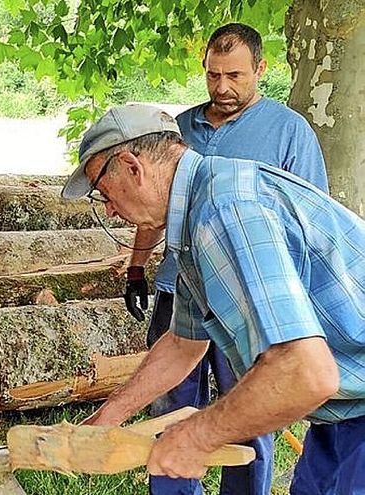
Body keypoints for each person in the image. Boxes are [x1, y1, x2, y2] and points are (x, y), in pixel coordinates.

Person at [62, 103, 364, 495]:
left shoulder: (225, 209)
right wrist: (106, 418)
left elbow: (304, 372)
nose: (110, 209)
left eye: (104, 192)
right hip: (342, 417)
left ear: (132, 166)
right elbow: (184, 343)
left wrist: (196, 436)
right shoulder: (198, 213)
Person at [120, 23, 328, 495]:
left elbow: (305, 225)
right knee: (171, 411)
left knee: (250, 413)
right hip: (184, 290)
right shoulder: (179, 128)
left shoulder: (290, 132)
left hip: (252, 302)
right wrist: (137, 266)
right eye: (213, 75)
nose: (222, 87)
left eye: (234, 75)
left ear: (261, 68)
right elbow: (154, 205)